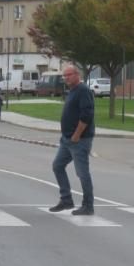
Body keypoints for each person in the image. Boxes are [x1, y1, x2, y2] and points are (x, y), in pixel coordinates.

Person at [49, 65, 95, 215]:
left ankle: (88, 206)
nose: (66, 78)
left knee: (82, 173)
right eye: (64, 75)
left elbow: (87, 115)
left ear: (77, 75)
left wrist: (76, 134)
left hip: (79, 140)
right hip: (67, 140)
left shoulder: (83, 91)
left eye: (69, 75)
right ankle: (66, 200)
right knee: (57, 165)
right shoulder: (72, 91)